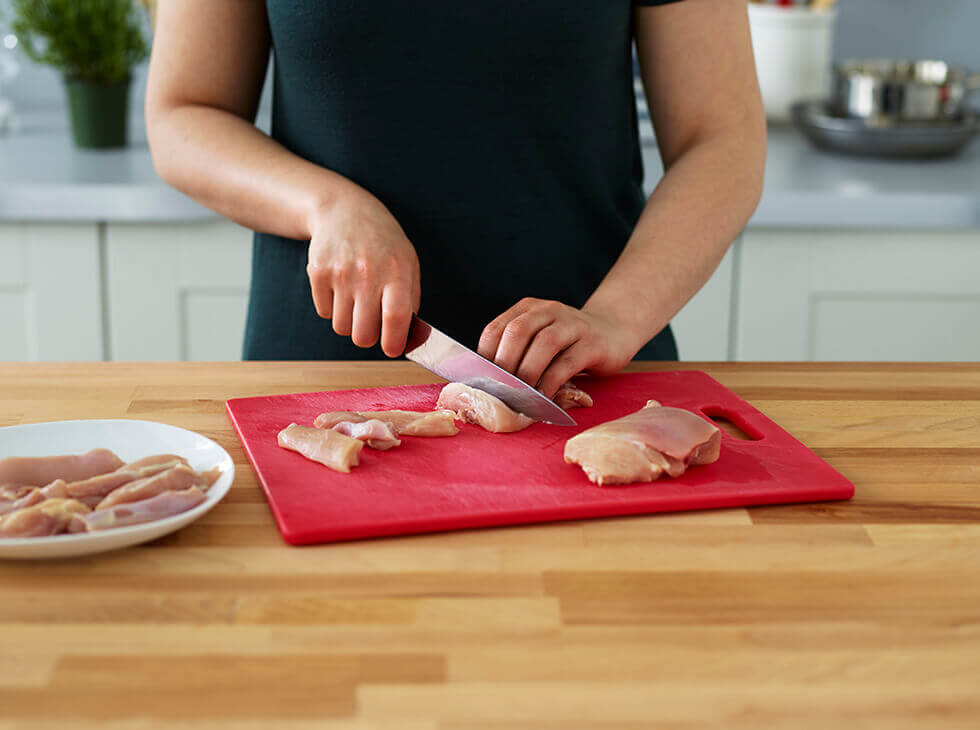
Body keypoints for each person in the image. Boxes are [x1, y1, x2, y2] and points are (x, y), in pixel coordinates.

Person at [146, 0, 765, 399]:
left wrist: (616, 317)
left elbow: (722, 139)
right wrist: (326, 204)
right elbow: (183, 115)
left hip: (590, 375)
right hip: (322, 378)